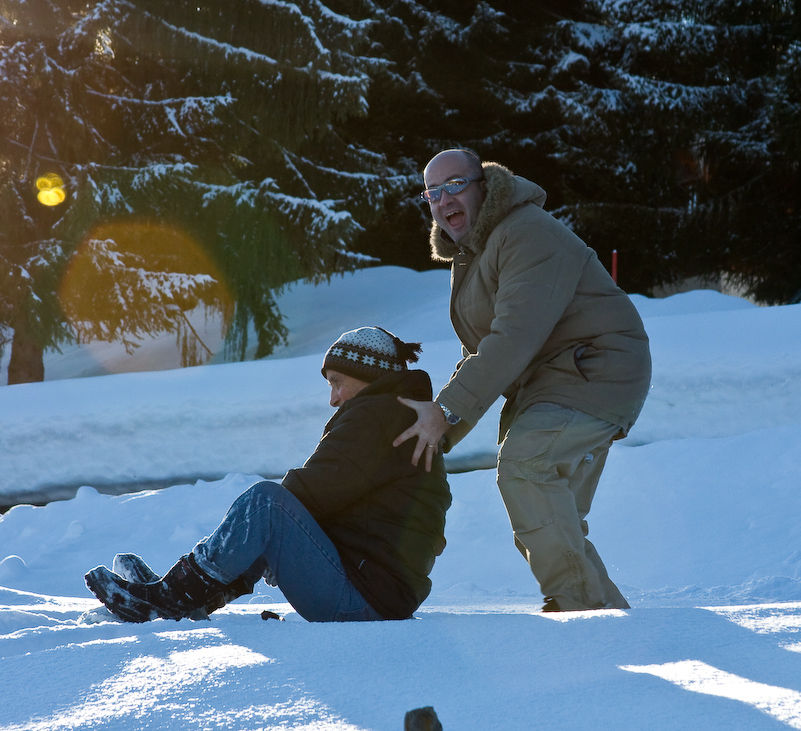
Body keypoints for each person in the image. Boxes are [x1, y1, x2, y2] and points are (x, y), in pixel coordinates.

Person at [394, 148, 651, 612]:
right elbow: (480, 352)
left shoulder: (526, 232)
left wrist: (446, 413)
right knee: (554, 520)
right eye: (431, 192)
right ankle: (611, 624)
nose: (442, 200)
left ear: (483, 185)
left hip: (592, 369)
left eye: (454, 185)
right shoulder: (472, 254)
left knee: (525, 469)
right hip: (552, 379)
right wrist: (440, 429)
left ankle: (578, 608)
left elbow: (514, 336)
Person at [85, 326, 452, 623]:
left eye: (337, 382)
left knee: (266, 505)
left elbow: (307, 494)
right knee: (274, 514)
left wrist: (279, 539)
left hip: (363, 600)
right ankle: (191, 596)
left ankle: (171, 598)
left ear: (367, 375)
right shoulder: (395, 414)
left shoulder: (380, 416)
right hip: (377, 595)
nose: (333, 398)